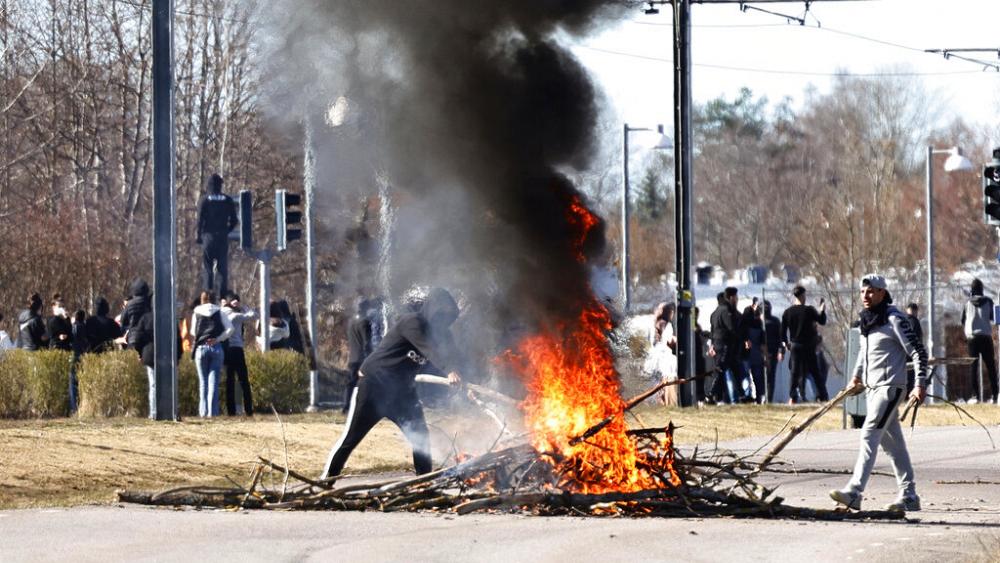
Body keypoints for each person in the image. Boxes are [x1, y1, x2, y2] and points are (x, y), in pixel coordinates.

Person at [321, 288, 465, 480]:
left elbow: (454, 356)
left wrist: (465, 383)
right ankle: (328, 479)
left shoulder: (442, 335)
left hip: (402, 393)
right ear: (432, 310)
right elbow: (429, 350)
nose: (443, 322)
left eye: (447, 318)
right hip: (374, 386)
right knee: (351, 439)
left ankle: (423, 483)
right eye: (440, 316)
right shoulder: (412, 322)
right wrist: (449, 370)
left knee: (420, 436)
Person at [830, 274, 928, 512]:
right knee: (893, 445)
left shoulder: (894, 318)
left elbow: (918, 352)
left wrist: (920, 384)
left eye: (871, 291)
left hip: (890, 387)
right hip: (872, 389)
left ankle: (854, 492)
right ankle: (909, 495)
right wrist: (855, 378)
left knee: (868, 434)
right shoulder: (867, 321)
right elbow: (863, 355)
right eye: (863, 292)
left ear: (883, 293)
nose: (866, 296)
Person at [780, 285, 828, 403]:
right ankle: (823, 396)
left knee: (795, 372)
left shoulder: (787, 312)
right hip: (808, 345)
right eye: (805, 295)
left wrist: (785, 343)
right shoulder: (809, 310)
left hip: (795, 345)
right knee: (815, 372)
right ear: (802, 295)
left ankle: (793, 397)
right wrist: (822, 310)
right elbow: (822, 321)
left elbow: (782, 330)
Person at [190, 291, 234, 417]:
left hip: (201, 348)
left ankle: (202, 412)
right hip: (215, 347)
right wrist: (219, 338)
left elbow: (193, 332)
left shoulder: (197, 312)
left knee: (203, 382)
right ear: (214, 299)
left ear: (202, 299)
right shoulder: (219, 311)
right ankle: (212, 413)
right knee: (213, 382)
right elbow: (230, 329)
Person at [196, 173, 239, 295]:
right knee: (222, 269)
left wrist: (199, 236)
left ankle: (207, 295)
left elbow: (199, 220)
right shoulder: (227, 200)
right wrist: (226, 231)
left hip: (208, 237)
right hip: (222, 238)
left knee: (208, 267)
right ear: (220, 185)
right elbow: (234, 221)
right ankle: (221, 296)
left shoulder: (204, 200)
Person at [961, 279, 997, 404]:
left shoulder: (967, 304)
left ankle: (975, 396)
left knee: (973, 367)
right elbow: (994, 318)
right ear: (982, 289)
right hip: (986, 337)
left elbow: (963, 321)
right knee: (991, 367)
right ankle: (995, 395)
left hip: (972, 338)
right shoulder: (988, 301)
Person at [222, 292, 257, 416]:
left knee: (229, 381)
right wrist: (243, 307)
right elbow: (253, 315)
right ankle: (249, 409)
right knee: (243, 380)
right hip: (236, 349)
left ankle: (230, 410)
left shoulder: (220, 314)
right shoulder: (235, 315)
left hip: (225, 350)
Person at [344, 298, 381, 414]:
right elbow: (367, 343)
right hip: (362, 359)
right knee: (368, 383)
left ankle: (346, 407)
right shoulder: (364, 322)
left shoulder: (351, 322)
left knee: (351, 384)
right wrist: (371, 358)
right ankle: (368, 407)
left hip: (352, 358)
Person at [708, 288, 743, 404]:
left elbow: (712, 331)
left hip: (718, 345)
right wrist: (740, 338)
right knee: (721, 370)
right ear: (730, 298)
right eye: (736, 297)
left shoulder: (714, 312)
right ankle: (712, 394)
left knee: (732, 369)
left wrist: (712, 344)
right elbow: (732, 328)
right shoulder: (726, 311)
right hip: (725, 346)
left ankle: (735, 395)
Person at [645, 302, 678, 406]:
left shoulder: (653, 323)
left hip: (655, 358)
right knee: (668, 381)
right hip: (665, 358)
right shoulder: (666, 324)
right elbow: (669, 340)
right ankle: (668, 402)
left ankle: (660, 402)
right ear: (669, 312)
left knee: (659, 384)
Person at [742, 301, 765, 404]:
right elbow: (762, 341)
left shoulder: (743, 325)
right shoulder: (759, 324)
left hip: (746, 355)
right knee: (758, 378)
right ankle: (760, 397)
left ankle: (748, 396)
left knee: (746, 377)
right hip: (757, 354)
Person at [120, 278, 152, 351]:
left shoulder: (129, 304)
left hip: (133, 338)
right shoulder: (149, 303)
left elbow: (123, 322)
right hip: (147, 338)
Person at [762, 301, 783, 403]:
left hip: (772, 352)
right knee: (761, 376)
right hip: (760, 353)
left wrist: (781, 350)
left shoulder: (775, 321)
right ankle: (762, 397)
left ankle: (768, 399)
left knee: (770, 377)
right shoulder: (758, 321)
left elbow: (780, 337)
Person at [69, 310, 90, 413]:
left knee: (73, 382)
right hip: (83, 354)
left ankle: (74, 408)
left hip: (74, 355)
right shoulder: (85, 328)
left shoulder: (74, 327)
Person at [904, 303, 924, 395]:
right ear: (916, 311)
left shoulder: (901, 321)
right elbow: (917, 339)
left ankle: (904, 395)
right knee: (911, 375)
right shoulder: (915, 321)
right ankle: (909, 394)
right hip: (912, 354)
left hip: (902, 353)